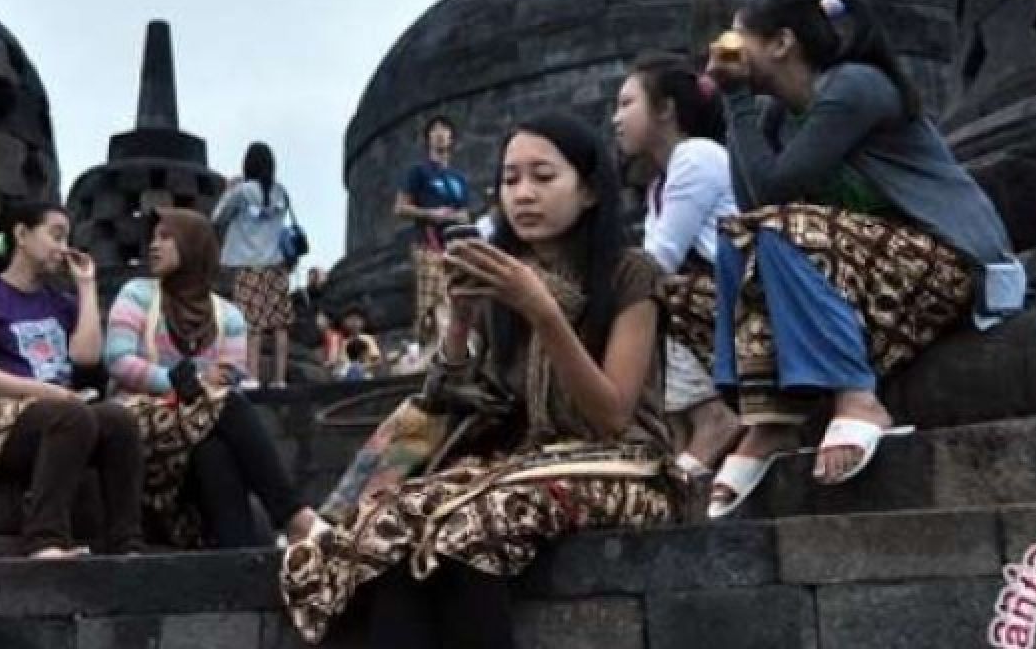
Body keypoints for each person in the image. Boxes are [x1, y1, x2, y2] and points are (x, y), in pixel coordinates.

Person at [283, 114, 681, 647]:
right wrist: (463, 322)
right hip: (525, 462)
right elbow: (472, 405)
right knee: (389, 528)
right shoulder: (505, 279)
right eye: (510, 180)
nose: (524, 194)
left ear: (588, 191)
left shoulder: (632, 273)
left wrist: (543, 312)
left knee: (468, 529)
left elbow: (612, 415)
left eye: (543, 176)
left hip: (628, 466)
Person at [703, 0, 1023, 518]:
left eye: (739, 38)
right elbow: (752, 201)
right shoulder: (780, 118)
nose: (727, 49)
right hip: (872, 272)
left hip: (945, 260)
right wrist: (738, 107)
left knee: (778, 228)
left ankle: (858, 398)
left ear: (781, 42)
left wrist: (734, 97)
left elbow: (779, 193)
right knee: (739, 236)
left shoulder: (855, 87)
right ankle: (770, 420)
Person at [104, 206, 318, 548]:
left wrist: (195, 381)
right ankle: (292, 515)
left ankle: (240, 558)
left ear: (193, 245)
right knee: (228, 406)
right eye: (153, 238)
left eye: (166, 237)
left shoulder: (228, 315)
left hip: (196, 427)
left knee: (214, 450)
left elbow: (231, 375)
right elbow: (117, 360)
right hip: (138, 423)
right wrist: (174, 380)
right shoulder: (137, 294)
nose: (154, 246)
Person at [0, 201, 144, 559]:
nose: (63, 247)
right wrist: (45, 393)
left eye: (67, 238)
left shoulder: (60, 302)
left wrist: (86, 286)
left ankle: (126, 545)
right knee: (72, 415)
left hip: (59, 412)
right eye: (55, 235)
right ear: (21, 235)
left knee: (119, 420)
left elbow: (86, 356)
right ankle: (44, 541)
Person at [612, 53, 743, 477]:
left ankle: (713, 418)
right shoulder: (659, 184)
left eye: (627, 103)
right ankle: (682, 440)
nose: (616, 119)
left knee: (653, 294)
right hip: (709, 303)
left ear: (665, 108)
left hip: (736, 298)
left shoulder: (696, 156)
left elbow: (659, 260)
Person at [212, 142, 294, 386]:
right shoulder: (282, 192)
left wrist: (229, 189)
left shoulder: (242, 192)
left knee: (252, 324)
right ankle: (280, 379)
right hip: (277, 264)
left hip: (249, 264)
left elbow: (217, 219)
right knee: (280, 325)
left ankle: (253, 376)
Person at [394, 115, 471, 348]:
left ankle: (449, 350)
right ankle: (435, 350)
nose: (440, 134)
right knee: (432, 301)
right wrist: (432, 213)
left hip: (454, 245)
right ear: (428, 139)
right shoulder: (419, 172)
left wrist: (459, 218)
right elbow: (399, 208)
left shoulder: (459, 179)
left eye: (445, 130)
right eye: (435, 130)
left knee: (452, 298)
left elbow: (465, 213)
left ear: (452, 139)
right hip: (428, 242)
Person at [331, 305, 382, 382]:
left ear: (364, 321)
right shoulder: (344, 342)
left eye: (357, 319)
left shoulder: (368, 339)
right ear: (343, 322)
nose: (354, 322)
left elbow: (377, 361)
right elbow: (341, 362)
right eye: (350, 319)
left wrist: (363, 367)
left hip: (365, 374)